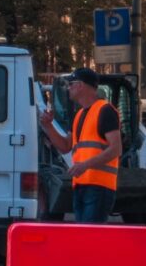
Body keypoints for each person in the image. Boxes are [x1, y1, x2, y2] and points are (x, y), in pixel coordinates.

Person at [40, 67, 122, 223]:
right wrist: (48, 126)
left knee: (90, 239)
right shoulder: (79, 115)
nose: (68, 88)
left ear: (81, 86)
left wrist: (85, 165)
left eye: (71, 84)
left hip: (99, 186)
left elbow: (116, 149)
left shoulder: (105, 111)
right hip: (81, 185)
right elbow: (65, 146)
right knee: (84, 238)